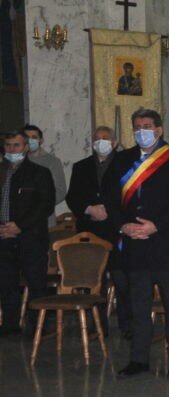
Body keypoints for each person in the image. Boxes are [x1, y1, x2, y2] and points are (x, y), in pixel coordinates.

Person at [103, 109, 169, 378]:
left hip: (166, 244)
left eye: (146, 126)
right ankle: (139, 359)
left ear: (158, 130)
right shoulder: (122, 160)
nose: (141, 131)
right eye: (137, 126)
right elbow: (111, 199)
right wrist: (124, 225)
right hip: (134, 245)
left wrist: (156, 225)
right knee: (138, 307)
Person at [66, 126, 132, 339]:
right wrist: (89, 209)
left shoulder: (126, 164)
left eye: (105, 138)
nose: (100, 142)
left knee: (123, 281)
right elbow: (73, 197)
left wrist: (110, 212)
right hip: (91, 230)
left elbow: (131, 196)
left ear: (114, 142)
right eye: (96, 139)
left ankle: (127, 326)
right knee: (95, 282)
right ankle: (96, 326)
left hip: (117, 231)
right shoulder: (81, 166)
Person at [0, 132, 55, 337]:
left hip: (30, 237)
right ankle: (10, 324)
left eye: (16, 145)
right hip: (3, 237)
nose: (11, 149)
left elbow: (45, 205)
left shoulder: (39, 173)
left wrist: (19, 226)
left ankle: (38, 326)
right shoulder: (1, 171)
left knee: (36, 282)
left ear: (25, 147)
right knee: (6, 283)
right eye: (8, 145)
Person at [23, 125, 66, 225]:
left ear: (41, 140)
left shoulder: (52, 162)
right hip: (21, 219)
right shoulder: (18, 161)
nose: (30, 140)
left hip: (44, 219)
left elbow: (60, 191)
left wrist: (39, 206)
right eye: (27, 138)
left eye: (34, 137)